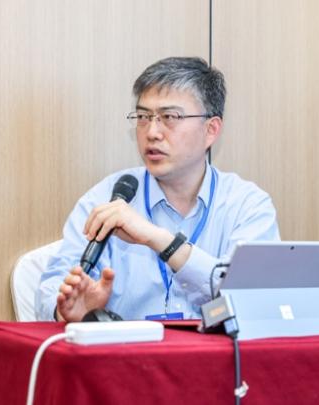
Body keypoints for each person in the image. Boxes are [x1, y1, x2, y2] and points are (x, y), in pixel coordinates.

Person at [35, 57, 280, 322]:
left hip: (217, 350)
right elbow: (50, 289)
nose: (152, 132)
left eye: (169, 117)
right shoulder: (108, 198)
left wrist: (160, 241)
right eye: (143, 117)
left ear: (210, 130)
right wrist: (67, 311)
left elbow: (255, 300)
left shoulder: (247, 205)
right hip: (128, 348)